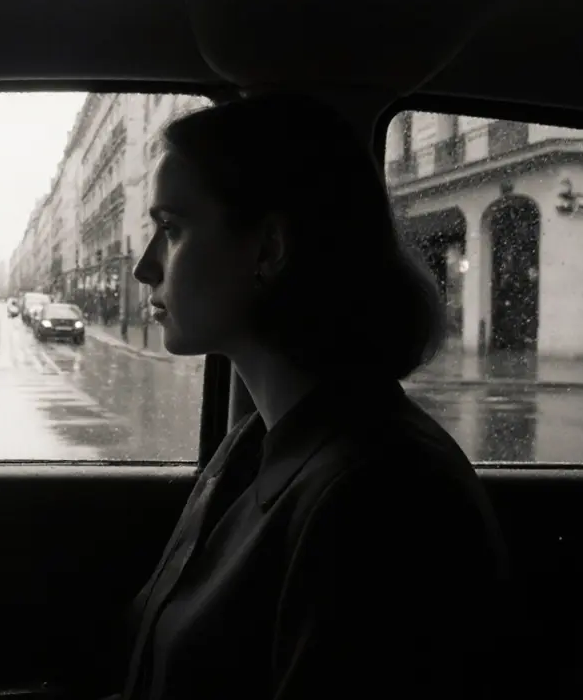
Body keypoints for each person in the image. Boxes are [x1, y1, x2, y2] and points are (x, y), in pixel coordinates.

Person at [121, 94, 511, 700]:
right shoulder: (260, 440)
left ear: (269, 249)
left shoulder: (380, 500)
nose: (146, 267)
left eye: (171, 229)